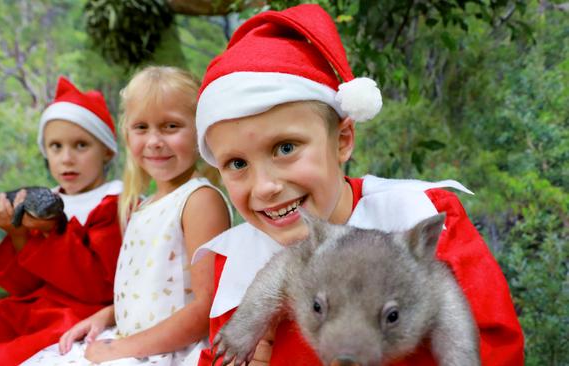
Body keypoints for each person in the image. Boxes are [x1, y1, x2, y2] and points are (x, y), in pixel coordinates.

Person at [191, 4, 524, 366]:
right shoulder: (240, 259)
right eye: (237, 163)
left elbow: (495, 345)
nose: (265, 186)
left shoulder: (422, 218)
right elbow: (219, 354)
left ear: (343, 140)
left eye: (286, 148)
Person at [22, 66, 231, 366]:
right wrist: (105, 315)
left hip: (171, 351)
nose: (154, 141)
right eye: (141, 127)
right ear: (126, 133)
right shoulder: (143, 206)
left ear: (200, 129)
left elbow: (206, 308)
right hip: (131, 340)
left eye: (171, 126)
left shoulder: (199, 200)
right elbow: (145, 291)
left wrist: (123, 349)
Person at [0, 76, 123, 366]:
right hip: (30, 307)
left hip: (77, 316)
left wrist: (51, 231)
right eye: (55, 147)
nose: (66, 158)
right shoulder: (42, 199)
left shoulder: (115, 203)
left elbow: (99, 288)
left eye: (80, 145)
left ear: (107, 150)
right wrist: (16, 234)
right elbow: (24, 288)